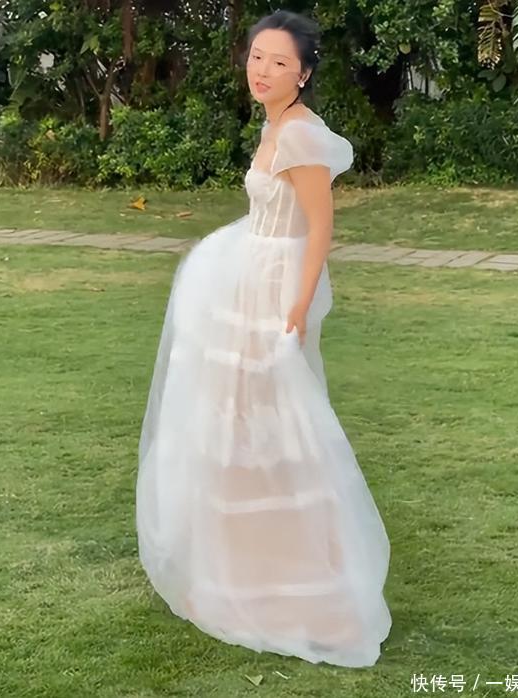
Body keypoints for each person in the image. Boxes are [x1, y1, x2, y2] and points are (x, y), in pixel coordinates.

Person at [136, 9, 392, 668]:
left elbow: (319, 227)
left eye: (280, 62)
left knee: (272, 427)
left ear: (303, 74)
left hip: (274, 290)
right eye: (257, 56)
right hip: (245, 280)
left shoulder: (301, 134)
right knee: (236, 427)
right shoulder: (275, 122)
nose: (263, 70)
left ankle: (304, 586)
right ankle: (238, 575)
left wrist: (297, 308)